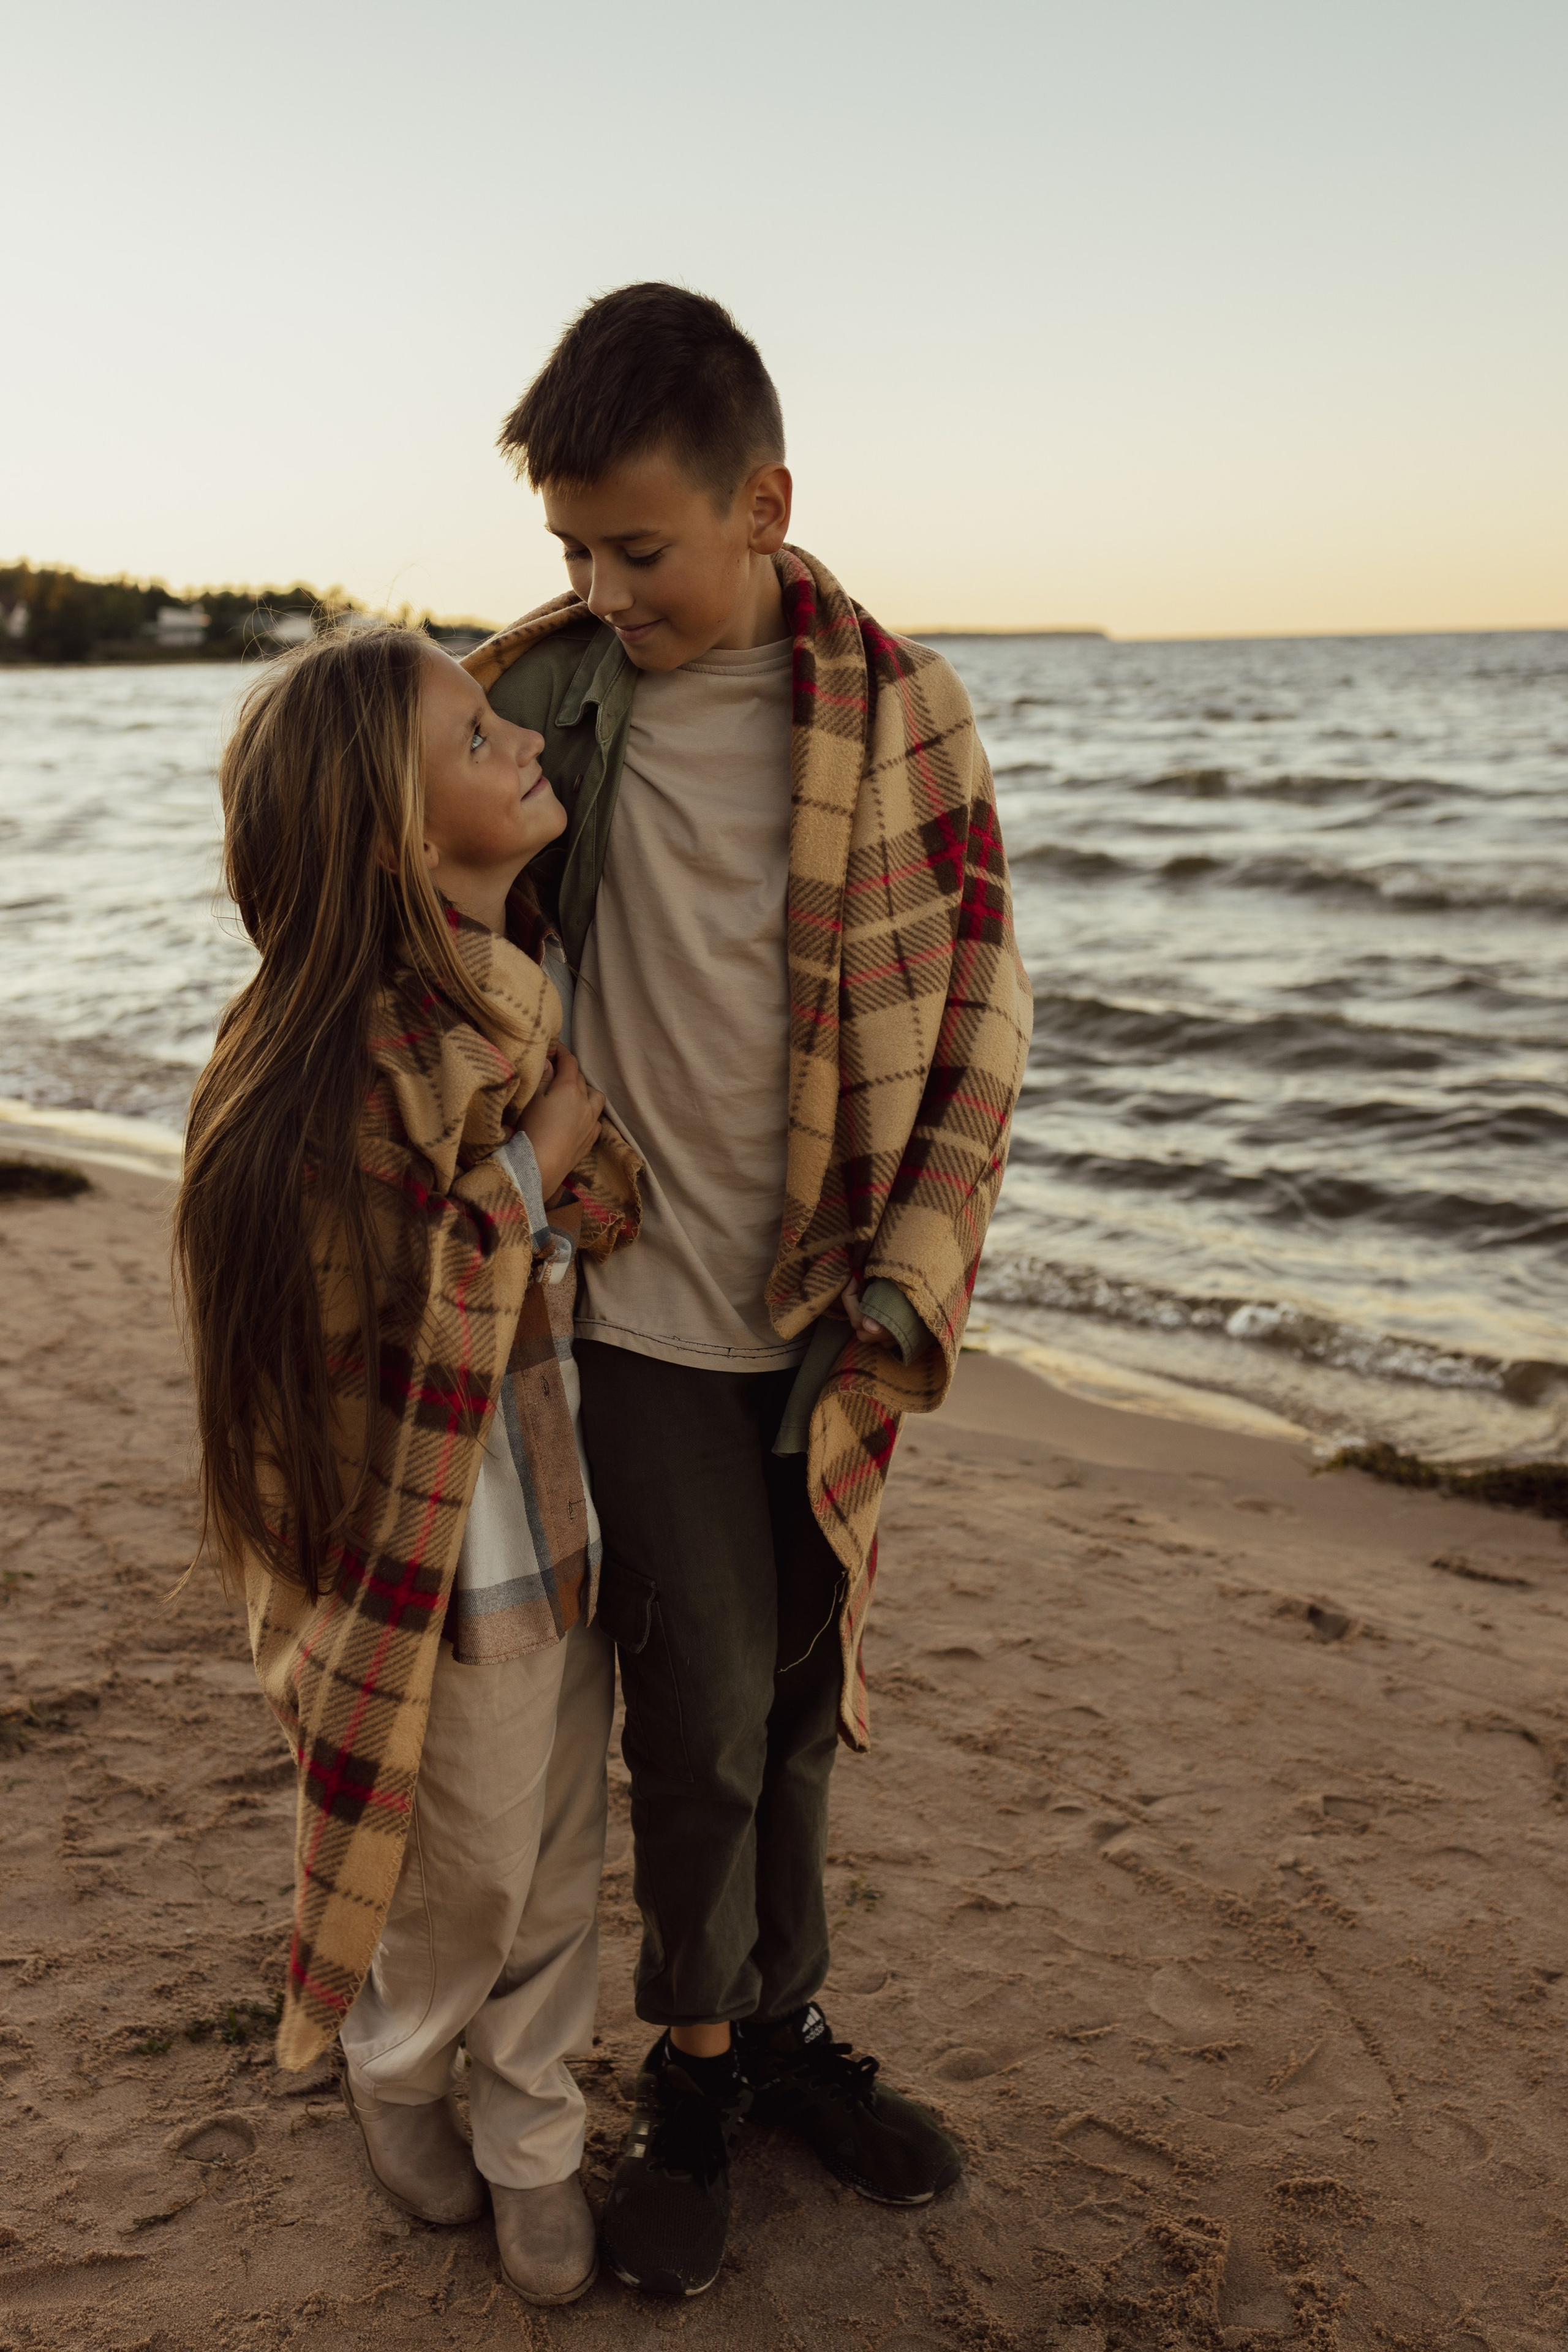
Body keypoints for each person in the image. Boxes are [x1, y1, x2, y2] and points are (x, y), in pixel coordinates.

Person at [469, 283, 1035, 2297]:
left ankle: (783, 2032)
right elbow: (416, 930)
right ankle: (692, 2075)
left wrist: (917, 1267)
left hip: (824, 1301)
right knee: (698, 1705)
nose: (606, 587)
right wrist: (532, 1113)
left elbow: (982, 997)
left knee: (798, 1700)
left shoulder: (897, 705)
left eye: (643, 548)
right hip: (629, 1305)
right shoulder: (533, 701)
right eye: (574, 551)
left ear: (764, 502)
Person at [173, 625, 639, 2307]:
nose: (524, 742)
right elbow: (398, 1298)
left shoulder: (519, 974)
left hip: (545, 1489)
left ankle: (529, 2131)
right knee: (466, 1865)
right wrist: (547, 1155)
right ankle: (399, 2060)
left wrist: (560, 1153)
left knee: (562, 1839)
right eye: (474, 736)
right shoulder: (355, 1046)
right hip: (424, 1535)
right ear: (392, 832)